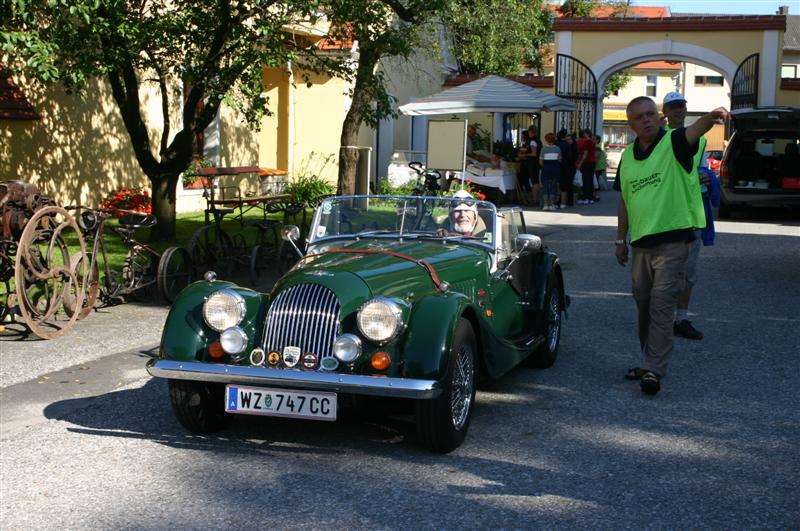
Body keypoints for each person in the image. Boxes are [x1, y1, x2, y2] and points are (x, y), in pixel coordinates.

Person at [615, 95, 729, 395]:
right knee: (643, 304)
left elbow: (695, 131)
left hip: (674, 240)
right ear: (630, 124)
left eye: (651, 114)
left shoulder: (674, 142)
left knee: (662, 304)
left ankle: (654, 370)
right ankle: (648, 360)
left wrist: (711, 117)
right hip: (640, 243)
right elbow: (625, 200)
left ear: (660, 116)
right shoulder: (627, 156)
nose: (647, 119)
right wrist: (620, 239)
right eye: (639, 116)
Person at [661, 91, 712, 340]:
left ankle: (681, 318)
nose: (678, 110)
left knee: (688, 272)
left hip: (692, 214)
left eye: (681, 105)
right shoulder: (659, 139)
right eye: (673, 107)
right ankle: (661, 318)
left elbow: (702, 170)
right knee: (664, 272)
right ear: (666, 112)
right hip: (666, 215)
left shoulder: (699, 139)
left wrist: (707, 177)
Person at [539, 132, 562, 211]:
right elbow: (559, 159)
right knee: (553, 186)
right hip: (555, 168)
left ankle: (545, 204)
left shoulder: (544, 149)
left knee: (545, 186)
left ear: (546, 140)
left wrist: (545, 166)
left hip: (546, 169)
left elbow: (541, 161)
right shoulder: (557, 148)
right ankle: (552, 204)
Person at [556, 129, 576, 208]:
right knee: (567, 184)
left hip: (556, 165)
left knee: (558, 184)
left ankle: (558, 201)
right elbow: (570, 157)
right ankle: (566, 202)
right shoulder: (567, 145)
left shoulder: (556, 144)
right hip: (566, 166)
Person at [575, 129, 597, 204]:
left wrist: (580, 163)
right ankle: (590, 197)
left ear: (587, 134)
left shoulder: (587, 142)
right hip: (592, 162)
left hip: (587, 162)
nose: (583, 135)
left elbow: (585, 154)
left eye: (584, 133)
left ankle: (586, 197)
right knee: (590, 180)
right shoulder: (592, 142)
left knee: (586, 180)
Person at [516, 130, 533, 204]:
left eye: (522, 135)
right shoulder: (525, 143)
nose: (521, 137)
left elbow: (522, 154)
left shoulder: (527, 144)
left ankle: (525, 199)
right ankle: (526, 199)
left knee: (523, 182)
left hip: (525, 165)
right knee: (525, 182)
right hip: (525, 164)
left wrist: (519, 157)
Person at [527, 126, 542, 207]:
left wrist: (524, 154)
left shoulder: (532, 141)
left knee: (534, 182)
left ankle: (535, 200)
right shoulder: (538, 140)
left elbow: (534, 153)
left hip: (533, 163)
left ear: (531, 132)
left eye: (529, 132)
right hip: (537, 163)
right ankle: (537, 199)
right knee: (536, 181)